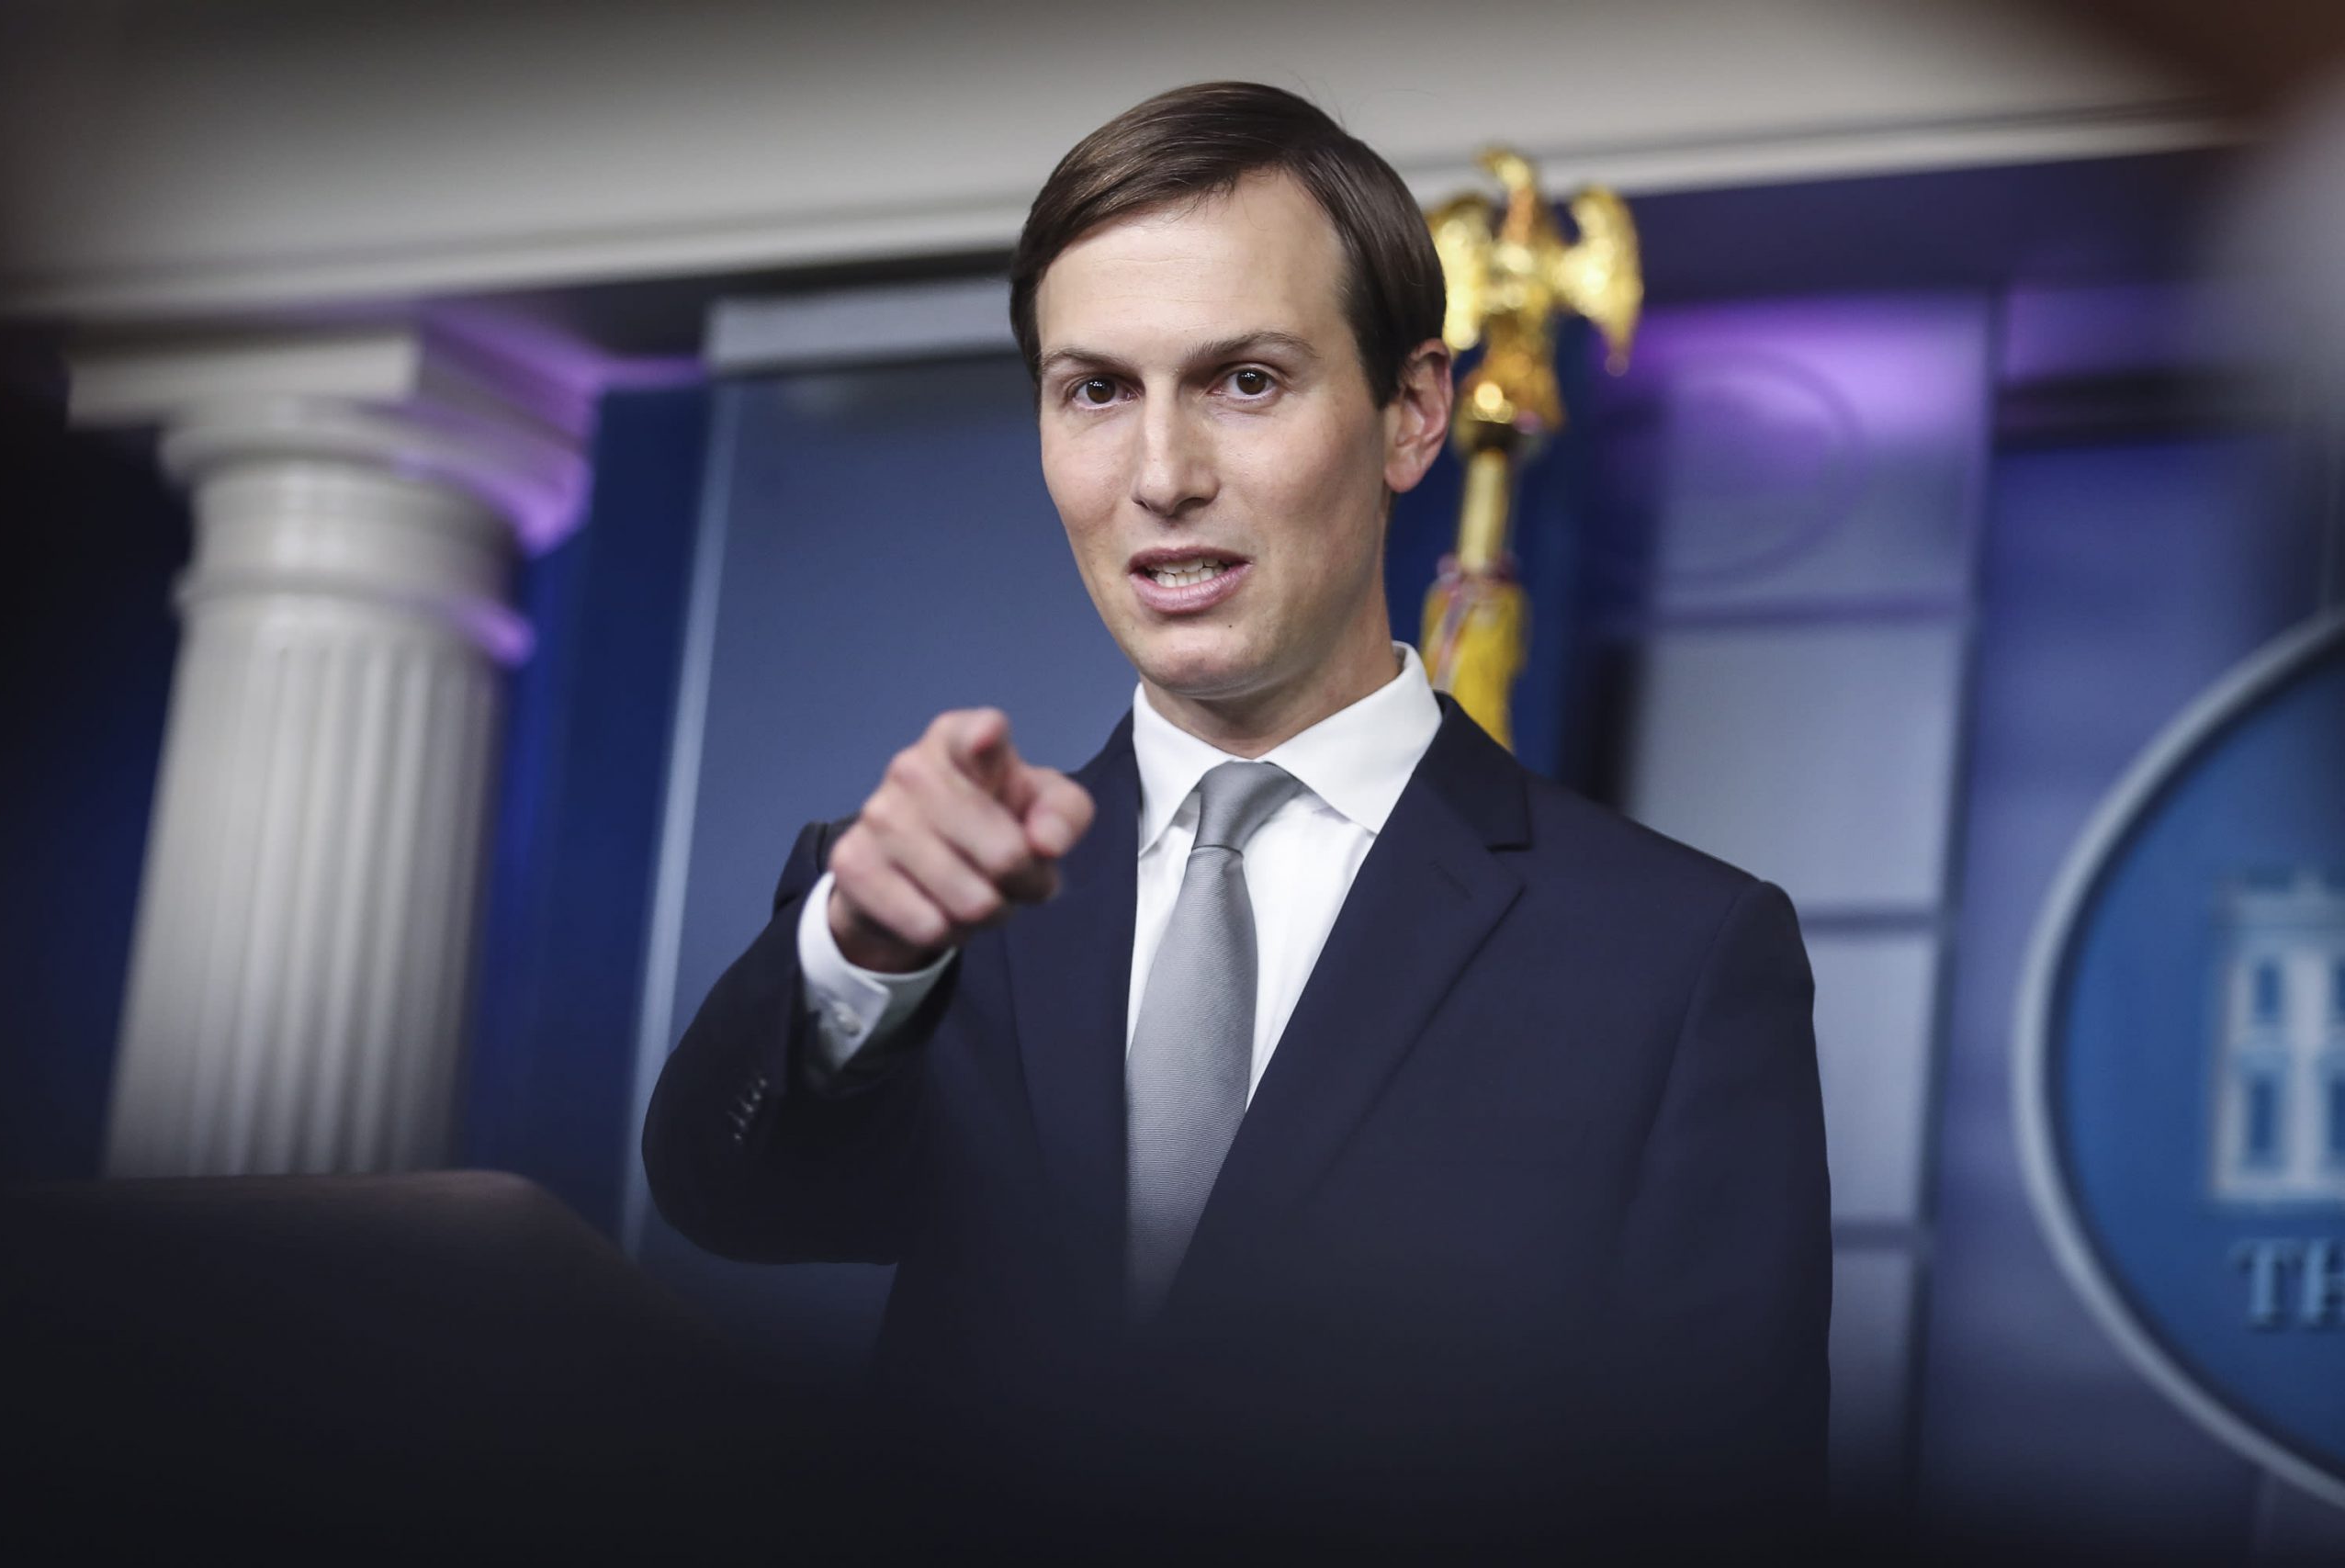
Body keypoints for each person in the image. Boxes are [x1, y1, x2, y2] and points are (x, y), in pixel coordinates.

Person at [643, 80, 1829, 1554]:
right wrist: (856, 955)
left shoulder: (1676, 959)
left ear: (1412, 414)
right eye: (1096, 391)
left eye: (1245, 381)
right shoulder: (925, 895)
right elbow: (723, 1196)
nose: (1161, 477)